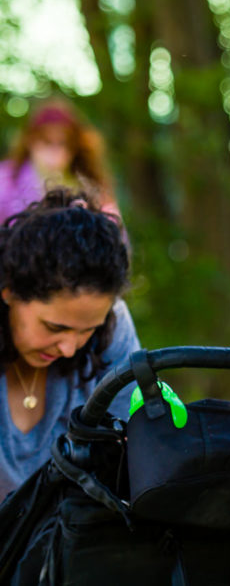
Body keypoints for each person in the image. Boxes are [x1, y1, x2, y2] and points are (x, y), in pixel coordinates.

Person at [0, 188, 139, 500]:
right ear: (8, 291)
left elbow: (131, 453)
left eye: (86, 330)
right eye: (54, 327)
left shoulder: (112, 323)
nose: (69, 348)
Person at [0, 99, 117, 222]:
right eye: (46, 141)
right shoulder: (5, 181)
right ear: (30, 141)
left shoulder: (91, 188)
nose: (54, 150)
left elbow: (114, 234)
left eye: (62, 143)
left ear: (75, 146)